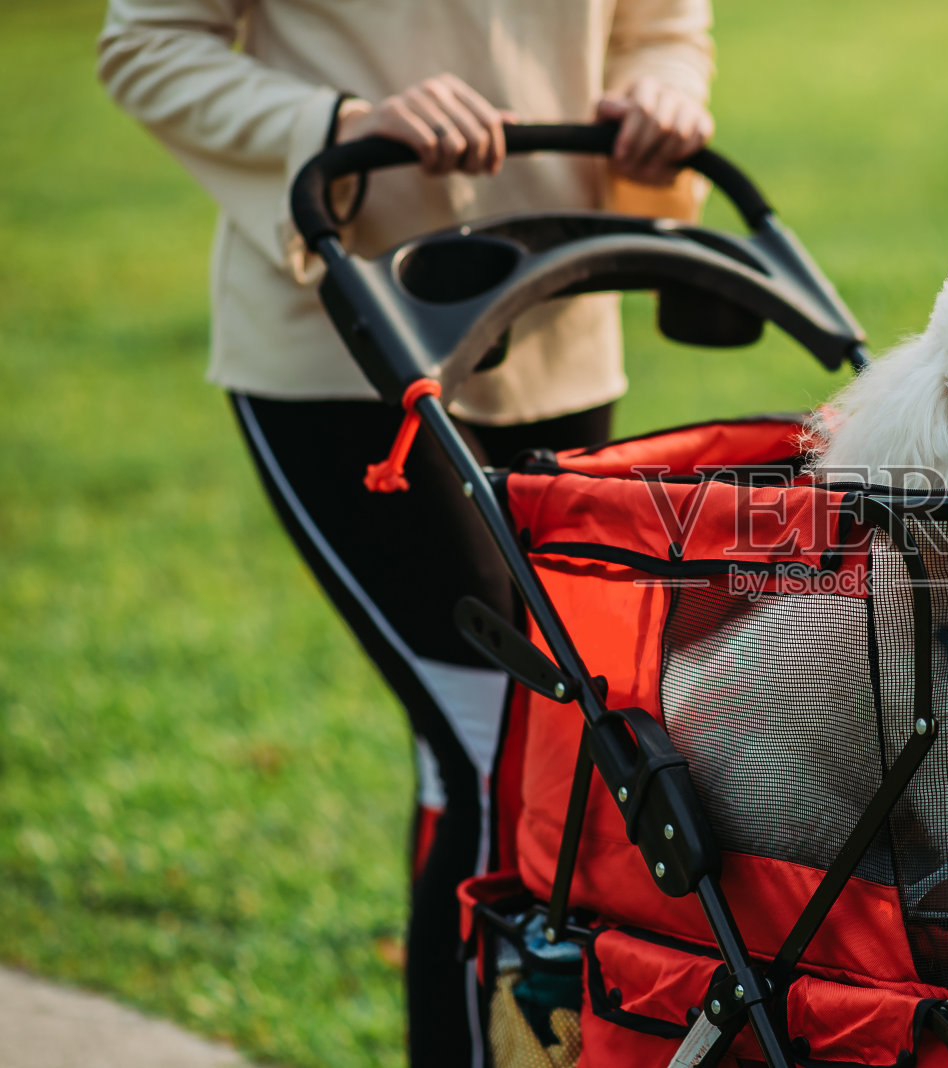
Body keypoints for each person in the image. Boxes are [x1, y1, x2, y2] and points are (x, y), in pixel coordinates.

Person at [96, 2, 713, 1063]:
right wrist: (343, 120)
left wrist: (665, 92)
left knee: (550, 744)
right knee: (496, 744)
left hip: (557, 316)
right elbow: (147, 43)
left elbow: (662, 24)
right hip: (344, 341)